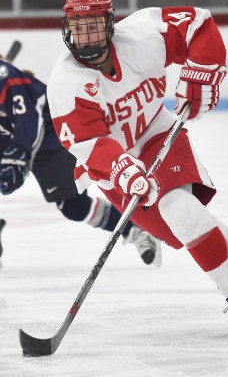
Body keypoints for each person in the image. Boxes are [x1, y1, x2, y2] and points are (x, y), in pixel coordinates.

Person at [47, 0, 228, 335]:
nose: (86, 35)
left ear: (110, 23)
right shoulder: (66, 84)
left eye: (93, 24)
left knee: (181, 211)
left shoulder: (141, 36)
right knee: (191, 225)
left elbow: (197, 25)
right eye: (78, 26)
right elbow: (90, 143)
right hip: (112, 167)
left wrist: (201, 73)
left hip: (157, 133)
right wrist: (125, 171)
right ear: (67, 29)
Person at [0, 57, 161, 267]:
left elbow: (29, 119)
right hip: (11, 137)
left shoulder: (4, 75)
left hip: (51, 132)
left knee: (73, 206)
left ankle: (135, 228)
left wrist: (17, 155)